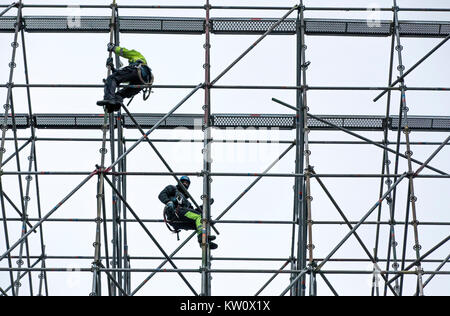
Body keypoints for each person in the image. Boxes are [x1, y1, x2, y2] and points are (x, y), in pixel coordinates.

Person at [158, 176, 218, 250]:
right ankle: (202, 238)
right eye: (184, 182)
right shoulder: (173, 189)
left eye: (187, 183)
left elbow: (193, 212)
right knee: (200, 217)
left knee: (202, 221)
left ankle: (204, 241)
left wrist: (204, 205)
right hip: (175, 212)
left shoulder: (187, 202)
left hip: (180, 219)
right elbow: (162, 195)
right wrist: (168, 202)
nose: (185, 184)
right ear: (179, 182)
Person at [97, 44, 154, 113]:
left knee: (111, 78)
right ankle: (114, 105)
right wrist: (112, 68)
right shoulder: (144, 71)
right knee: (120, 94)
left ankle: (109, 99)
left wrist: (113, 48)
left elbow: (124, 52)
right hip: (143, 82)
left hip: (136, 70)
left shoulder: (138, 56)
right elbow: (125, 77)